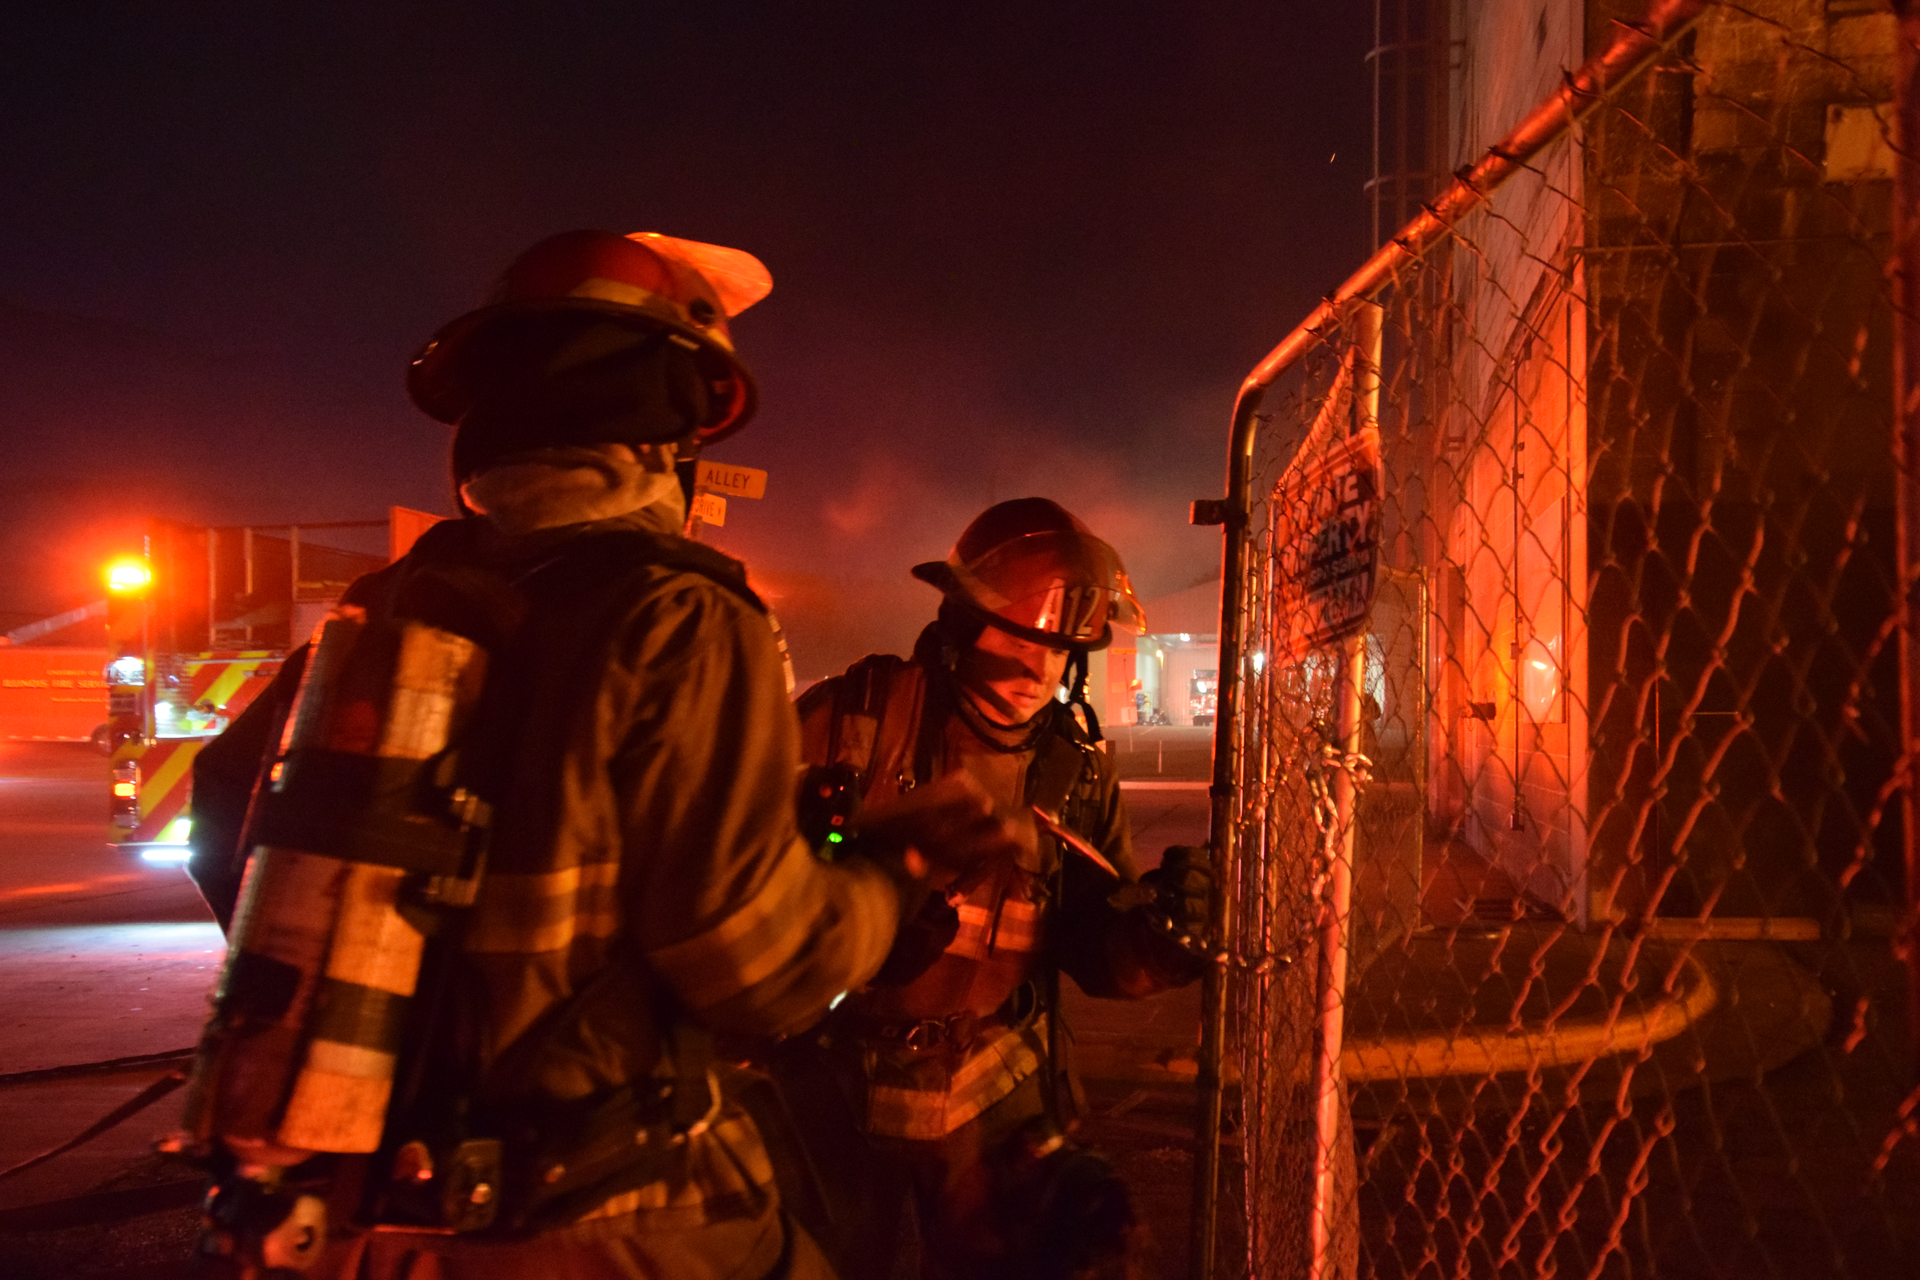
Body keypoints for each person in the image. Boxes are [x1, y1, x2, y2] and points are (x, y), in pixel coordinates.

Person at [183, 230, 1017, 1279]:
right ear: (675, 419)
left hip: (365, 1209)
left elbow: (227, 812)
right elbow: (755, 965)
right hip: (605, 1214)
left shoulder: (389, 605)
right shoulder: (678, 614)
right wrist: (885, 879)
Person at [773, 498, 1214, 1280]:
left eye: (1062, 650)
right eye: (1021, 635)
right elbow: (737, 893)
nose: (1039, 670)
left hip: (992, 1090)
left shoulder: (1073, 771)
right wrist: (862, 908)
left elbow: (1092, 946)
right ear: (959, 621)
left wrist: (1161, 943)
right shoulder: (849, 722)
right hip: (829, 1086)